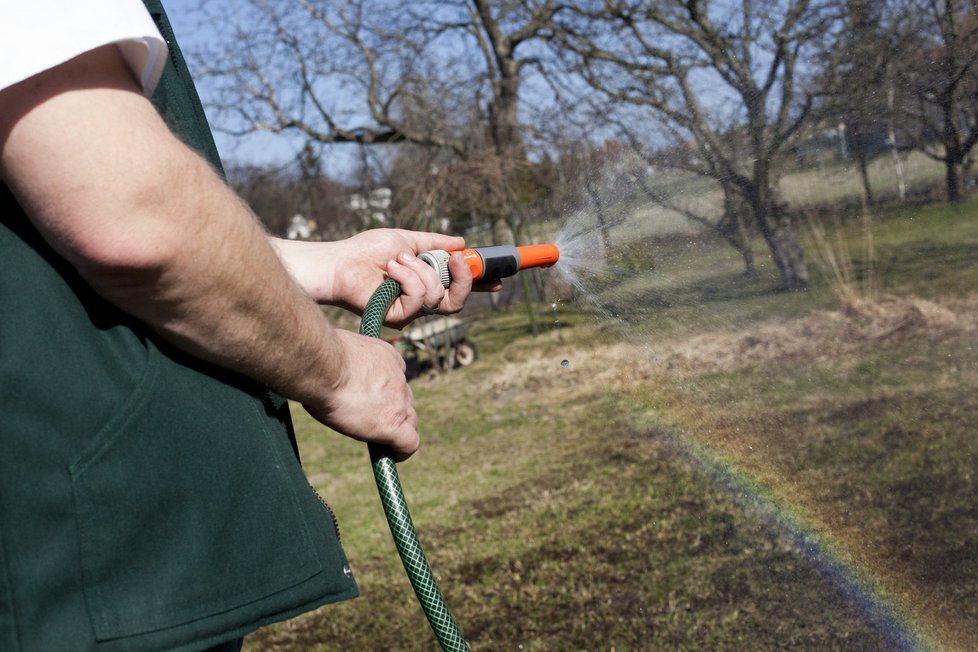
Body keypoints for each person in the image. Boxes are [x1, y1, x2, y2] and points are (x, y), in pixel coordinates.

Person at [0, 2, 495, 650]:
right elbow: (133, 218)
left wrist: (329, 265)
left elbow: (77, 211)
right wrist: (339, 374)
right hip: (90, 568)